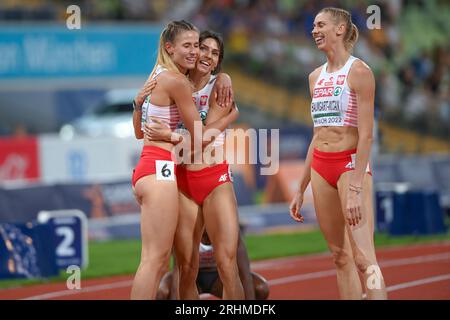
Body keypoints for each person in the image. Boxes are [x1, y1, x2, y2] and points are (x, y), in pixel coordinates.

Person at [130, 20, 238, 300]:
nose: (201, 54)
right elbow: (198, 136)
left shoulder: (167, 75)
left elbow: (140, 132)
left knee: (225, 264)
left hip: (200, 173)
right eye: (195, 47)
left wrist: (138, 105)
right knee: (165, 263)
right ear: (172, 48)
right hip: (169, 172)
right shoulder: (178, 80)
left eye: (214, 53)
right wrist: (230, 119)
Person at [289, 7, 387, 300]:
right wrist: (301, 186)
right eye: (314, 26)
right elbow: (317, 135)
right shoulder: (314, 77)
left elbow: (367, 135)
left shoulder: (359, 72)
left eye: (321, 25)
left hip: (349, 167)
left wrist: (356, 187)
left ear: (340, 29)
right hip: (321, 167)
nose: (314, 30)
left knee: (363, 258)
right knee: (340, 257)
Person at [156, 230, 269, 300]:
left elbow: (245, 274)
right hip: (192, 279)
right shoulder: (187, 232)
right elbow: (178, 274)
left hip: (219, 279)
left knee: (260, 288)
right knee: (162, 292)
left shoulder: (229, 231)